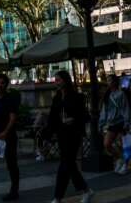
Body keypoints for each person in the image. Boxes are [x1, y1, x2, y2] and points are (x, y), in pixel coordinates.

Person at [47, 71, 92, 203]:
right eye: (55, 80)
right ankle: (85, 190)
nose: (56, 82)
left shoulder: (77, 97)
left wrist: (73, 119)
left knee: (66, 164)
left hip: (73, 134)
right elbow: (52, 117)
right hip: (62, 134)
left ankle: (58, 197)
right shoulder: (57, 98)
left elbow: (85, 116)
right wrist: (49, 133)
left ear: (66, 81)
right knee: (68, 165)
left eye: (59, 80)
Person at [100, 74, 131, 175]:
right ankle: (119, 159)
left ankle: (125, 166)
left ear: (115, 82)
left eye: (110, 80)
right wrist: (101, 123)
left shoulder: (121, 94)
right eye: (107, 80)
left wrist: (127, 123)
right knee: (107, 144)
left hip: (121, 122)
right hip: (112, 123)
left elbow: (125, 108)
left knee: (124, 145)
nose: (108, 82)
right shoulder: (107, 95)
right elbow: (104, 111)